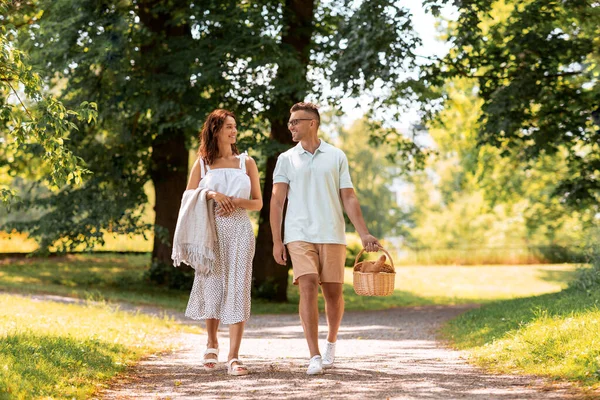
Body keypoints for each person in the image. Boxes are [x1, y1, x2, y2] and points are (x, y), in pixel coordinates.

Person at [270, 102, 381, 375]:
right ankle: (314, 355)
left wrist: (363, 231)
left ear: (312, 123)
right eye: (289, 122)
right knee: (307, 285)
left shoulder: (336, 156)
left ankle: (331, 342)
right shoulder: (286, 159)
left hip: (332, 233)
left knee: (333, 294)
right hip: (298, 234)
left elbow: (349, 196)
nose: (291, 126)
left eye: (296, 121)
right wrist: (277, 240)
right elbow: (276, 201)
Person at [183, 109, 262, 376]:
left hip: (240, 229)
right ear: (215, 130)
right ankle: (212, 341)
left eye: (235, 127)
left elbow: (258, 203)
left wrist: (236, 202)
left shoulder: (246, 163)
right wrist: (213, 194)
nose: (234, 131)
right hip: (210, 231)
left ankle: (234, 356)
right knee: (212, 284)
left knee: (238, 287)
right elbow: (188, 198)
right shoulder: (202, 164)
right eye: (228, 126)